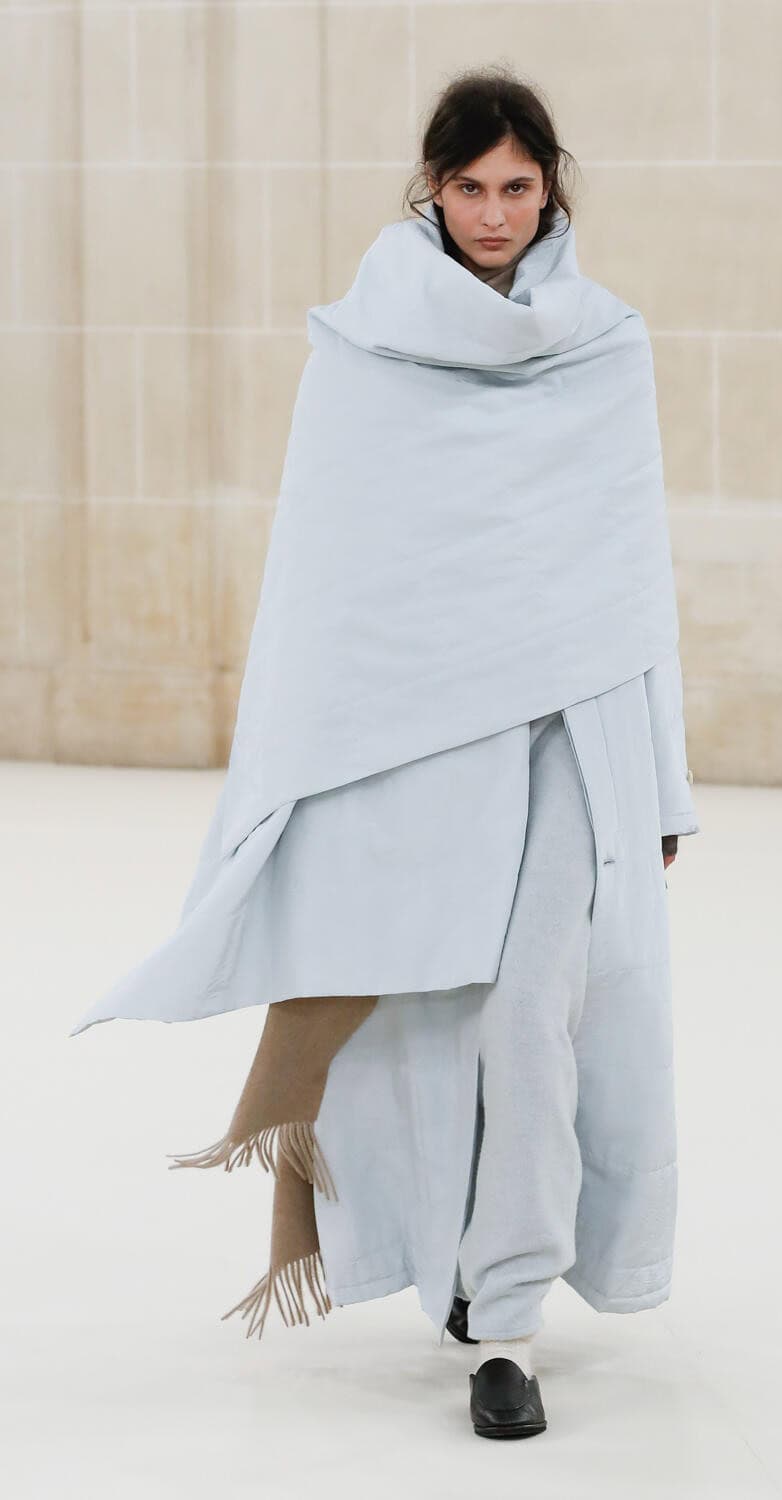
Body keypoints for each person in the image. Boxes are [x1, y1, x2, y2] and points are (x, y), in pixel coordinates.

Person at [69, 66, 699, 1442]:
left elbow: (633, 578)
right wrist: (305, 768)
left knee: (531, 1014)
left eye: (517, 186)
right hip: (414, 726)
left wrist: (663, 781)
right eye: (470, 187)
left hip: (574, 730)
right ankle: (454, 1271)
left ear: (551, 189)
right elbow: (328, 577)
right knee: (429, 1014)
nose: (494, 212)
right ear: (433, 188)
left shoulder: (605, 344)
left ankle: (509, 1323)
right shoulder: (366, 348)